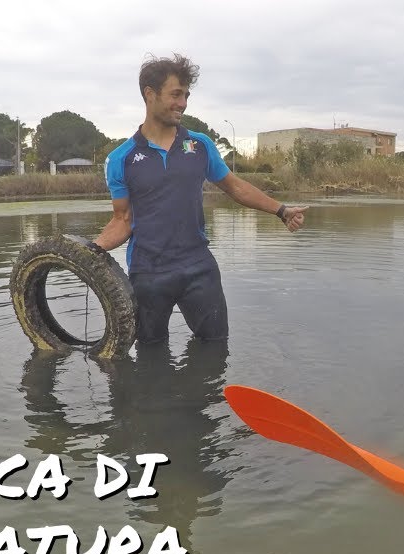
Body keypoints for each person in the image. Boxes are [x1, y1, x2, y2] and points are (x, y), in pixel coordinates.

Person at [90, 53, 309, 345]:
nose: (183, 103)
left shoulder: (200, 145)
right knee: (151, 357)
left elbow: (235, 186)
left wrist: (281, 210)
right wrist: (88, 252)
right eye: (176, 94)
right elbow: (123, 219)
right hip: (148, 273)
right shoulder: (121, 159)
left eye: (186, 95)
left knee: (216, 348)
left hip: (198, 266)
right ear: (150, 94)